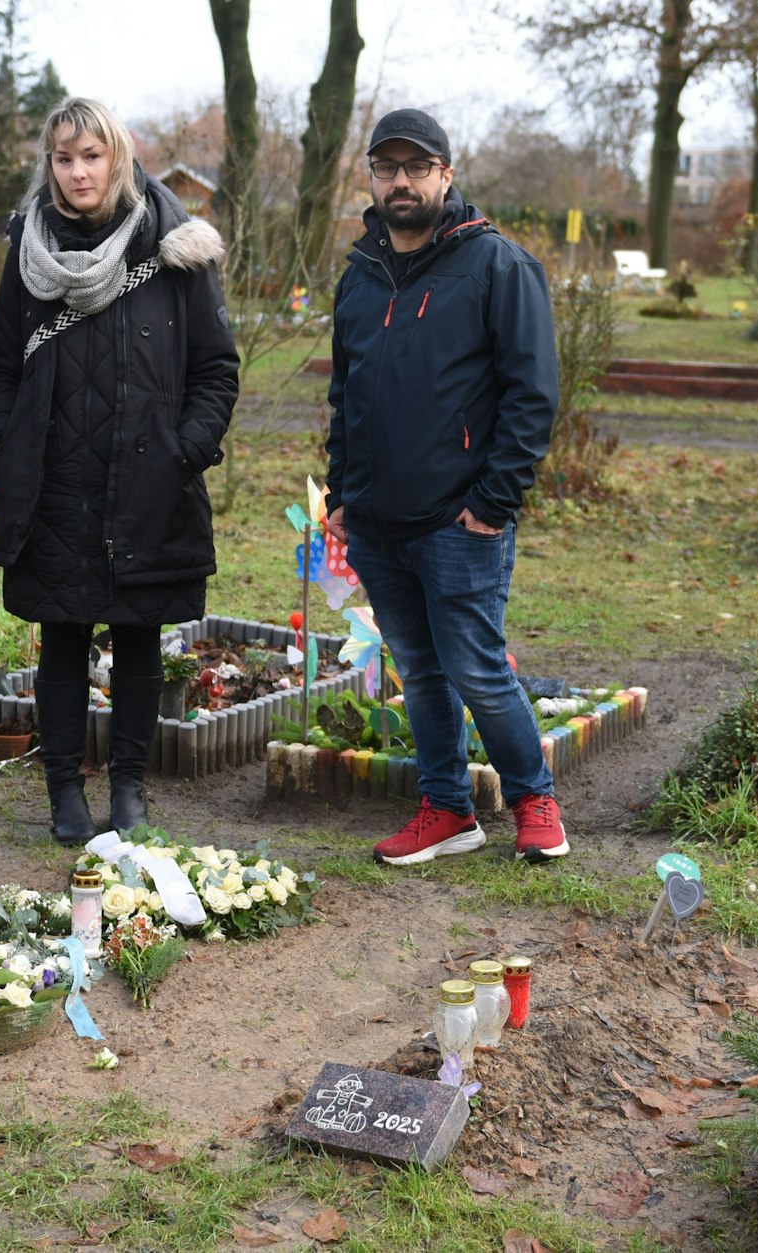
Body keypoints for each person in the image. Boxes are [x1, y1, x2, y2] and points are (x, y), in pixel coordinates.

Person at [0, 97, 239, 845]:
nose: (78, 172)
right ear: (49, 165)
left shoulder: (174, 248)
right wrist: (4, 445)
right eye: (63, 158)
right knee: (61, 640)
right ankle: (64, 789)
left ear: (118, 157)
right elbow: (0, 366)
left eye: (91, 156)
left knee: (138, 639)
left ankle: (129, 788)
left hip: (147, 482)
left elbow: (215, 370)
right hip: (54, 484)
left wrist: (184, 451)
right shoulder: (28, 251)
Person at [324, 108, 568, 866]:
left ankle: (534, 801)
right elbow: (345, 395)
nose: (401, 181)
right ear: (372, 177)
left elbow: (533, 394)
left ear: (446, 175)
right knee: (421, 672)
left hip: (458, 521)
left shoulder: (496, 266)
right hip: (378, 521)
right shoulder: (361, 276)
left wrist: (493, 503)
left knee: (478, 670)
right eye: (387, 167)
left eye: (417, 167)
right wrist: (341, 494)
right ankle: (448, 809)